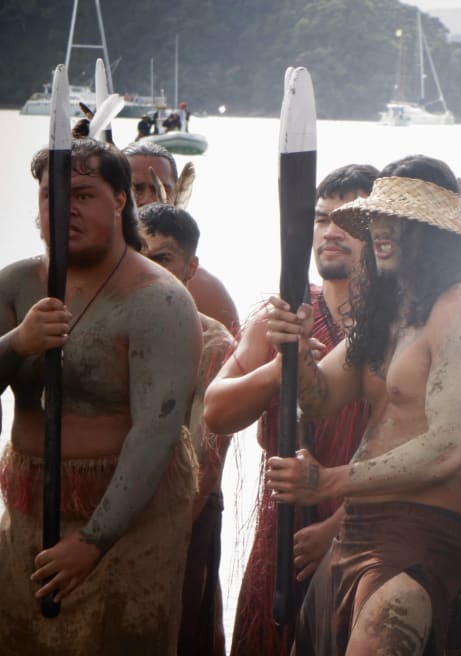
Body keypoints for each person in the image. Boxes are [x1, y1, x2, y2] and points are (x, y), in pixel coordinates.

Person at [264, 155, 461, 655]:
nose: (380, 229)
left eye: (397, 218)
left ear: (433, 231)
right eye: (377, 217)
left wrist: (329, 481)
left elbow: (449, 448)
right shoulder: (388, 312)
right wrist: (295, 352)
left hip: (422, 536)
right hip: (354, 532)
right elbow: (318, 400)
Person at [0, 138, 201, 651]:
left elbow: (155, 433)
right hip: (28, 510)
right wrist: (18, 342)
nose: (64, 208)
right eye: (51, 195)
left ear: (119, 201)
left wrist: (93, 542)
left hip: (128, 522)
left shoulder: (159, 300)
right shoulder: (16, 284)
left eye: (83, 195)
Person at [203, 163, 378, 656]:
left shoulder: (401, 326)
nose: (330, 232)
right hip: (285, 529)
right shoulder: (278, 317)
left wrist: (338, 529)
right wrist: (279, 370)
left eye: (347, 221)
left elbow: (418, 449)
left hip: (372, 527)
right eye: (321, 219)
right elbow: (215, 412)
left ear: (381, 234)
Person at [139, 202, 234, 656]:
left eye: (163, 259)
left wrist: (161, 541)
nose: (149, 269)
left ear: (190, 267)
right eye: (137, 255)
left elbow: (204, 462)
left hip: (184, 515)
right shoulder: (106, 325)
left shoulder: (214, 344)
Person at [122, 140, 240, 334]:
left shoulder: (204, 288)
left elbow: (230, 350)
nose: (148, 199)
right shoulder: (88, 268)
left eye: (159, 188)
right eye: (137, 188)